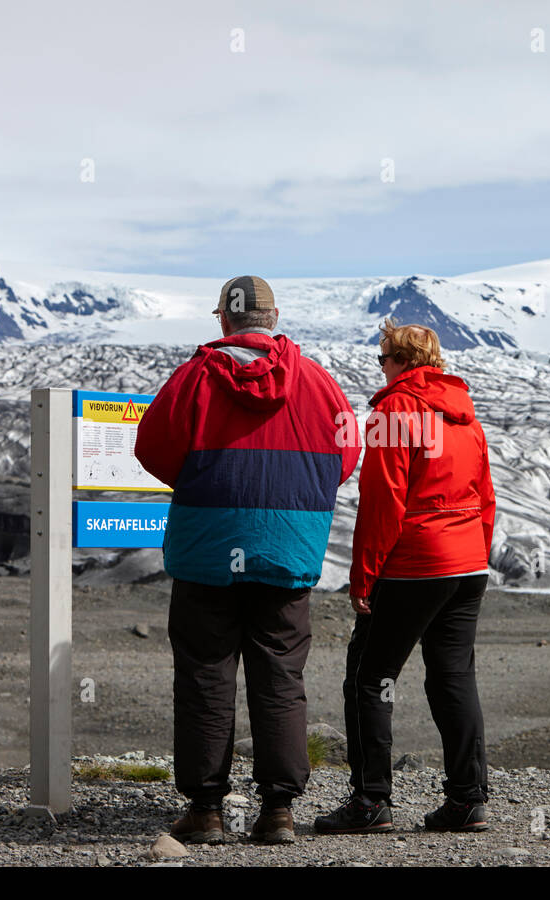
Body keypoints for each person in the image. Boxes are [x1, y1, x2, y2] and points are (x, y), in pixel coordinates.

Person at [135, 275, 359, 845]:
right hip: (286, 550)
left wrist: (207, 482)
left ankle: (207, 810)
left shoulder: (193, 378)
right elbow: (347, 450)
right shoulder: (316, 381)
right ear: (275, 316)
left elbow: (152, 449)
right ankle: (278, 811)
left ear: (223, 319)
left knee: (207, 674)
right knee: (280, 674)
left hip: (207, 552)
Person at [315, 319, 496, 835]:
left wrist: (363, 577)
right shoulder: (465, 414)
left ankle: (371, 801)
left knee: (370, 678)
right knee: (453, 677)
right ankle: (467, 799)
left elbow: (382, 503)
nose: (381, 368)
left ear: (398, 361)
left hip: (417, 563)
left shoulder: (395, 409)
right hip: (466, 564)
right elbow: (486, 494)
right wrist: (475, 553)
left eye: (382, 359)